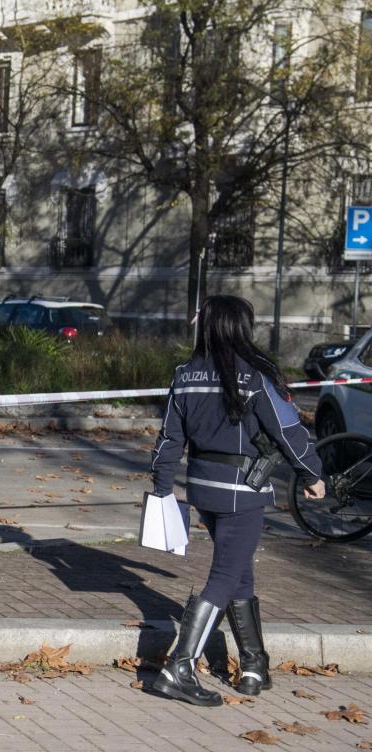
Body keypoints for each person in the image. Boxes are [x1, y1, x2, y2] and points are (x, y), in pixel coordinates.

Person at [149, 295, 326, 706]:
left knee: (239, 569)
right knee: (226, 575)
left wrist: (161, 487)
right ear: (241, 327)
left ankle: (253, 665)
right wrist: (312, 474)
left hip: (201, 490)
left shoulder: (185, 375)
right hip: (243, 490)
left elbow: (168, 440)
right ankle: (180, 666)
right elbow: (289, 432)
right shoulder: (255, 375)